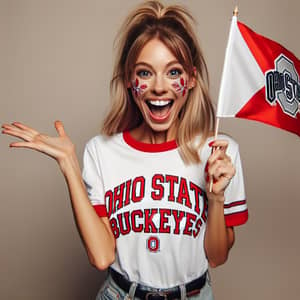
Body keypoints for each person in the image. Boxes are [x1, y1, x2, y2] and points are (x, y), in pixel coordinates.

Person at [1, 1, 248, 299]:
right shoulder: (101, 152)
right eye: (145, 73)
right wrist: (69, 164)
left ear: (191, 78)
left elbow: (217, 257)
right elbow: (102, 256)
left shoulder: (220, 152)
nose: (159, 87)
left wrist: (216, 198)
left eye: (173, 72)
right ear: (130, 80)